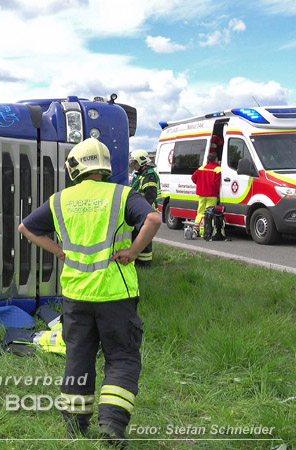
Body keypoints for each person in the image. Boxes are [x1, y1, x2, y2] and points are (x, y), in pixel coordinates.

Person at [18, 138, 161, 447]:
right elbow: (153, 218)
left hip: (76, 295)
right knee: (121, 358)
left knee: (79, 357)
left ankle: (75, 426)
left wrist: (57, 250)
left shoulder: (60, 200)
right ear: (105, 166)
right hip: (115, 295)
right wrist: (134, 251)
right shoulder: (123, 194)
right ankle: (111, 424)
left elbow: (26, 228)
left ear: (74, 167)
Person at [129, 150, 161, 268]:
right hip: (142, 211)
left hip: (147, 211)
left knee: (144, 237)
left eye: (135, 162)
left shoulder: (150, 175)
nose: (133, 165)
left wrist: (142, 210)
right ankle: (137, 259)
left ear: (141, 161)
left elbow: (150, 195)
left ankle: (144, 264)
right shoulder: (143, 174)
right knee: (138, 235)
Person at [190, 149, 222, 237]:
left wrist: (201, 185)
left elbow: (193, 178)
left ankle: (196, 229)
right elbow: (217, 183)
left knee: (200, 212)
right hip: (212, 195)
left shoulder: (201, 168)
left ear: (208, 160)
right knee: (209, 213)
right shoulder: (218, 169)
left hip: (201, 194)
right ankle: (204, 231)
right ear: (216, 159)